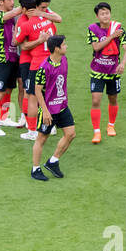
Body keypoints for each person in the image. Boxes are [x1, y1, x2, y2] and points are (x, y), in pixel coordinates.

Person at [14, 0, 62, 141]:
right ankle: (50, 126)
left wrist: (34, 40)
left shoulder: (27, 24)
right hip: (51, 62)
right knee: (49, 95)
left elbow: (17, 42)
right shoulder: (48, 21)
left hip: (35, 64)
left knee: (32, 97)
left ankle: (32, 130)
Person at [31, 35, 76, 180]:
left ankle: (53, 161)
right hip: (48, 110)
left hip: (62, 106)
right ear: (57, 48)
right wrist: (44, 111)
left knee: (71, 134)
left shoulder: (64, 60)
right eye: (64, 44)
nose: (66, 46)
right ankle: (35, 169)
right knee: (41, 139)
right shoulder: (44, 68)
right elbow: (37, 90)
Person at [86, 2, 126, 143]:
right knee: (96, 100)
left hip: (113, 72)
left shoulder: (118, 28)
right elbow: (97, 47)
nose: (105, 16)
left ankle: (111, 126)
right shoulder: (93, 29)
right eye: (102, 14)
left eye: (107, 13)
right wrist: (111, 36)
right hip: (97, 72)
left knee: (113, 99)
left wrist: (122, 63)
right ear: (97, 16)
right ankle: (96, 132)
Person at [0, 0, 26, 136]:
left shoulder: (10, 16)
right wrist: (23, 5)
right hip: (0, 60)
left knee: (9, 89)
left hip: (12, 58)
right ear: (1, 2)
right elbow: (14, 12)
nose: (12, 2)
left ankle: (4, 118)